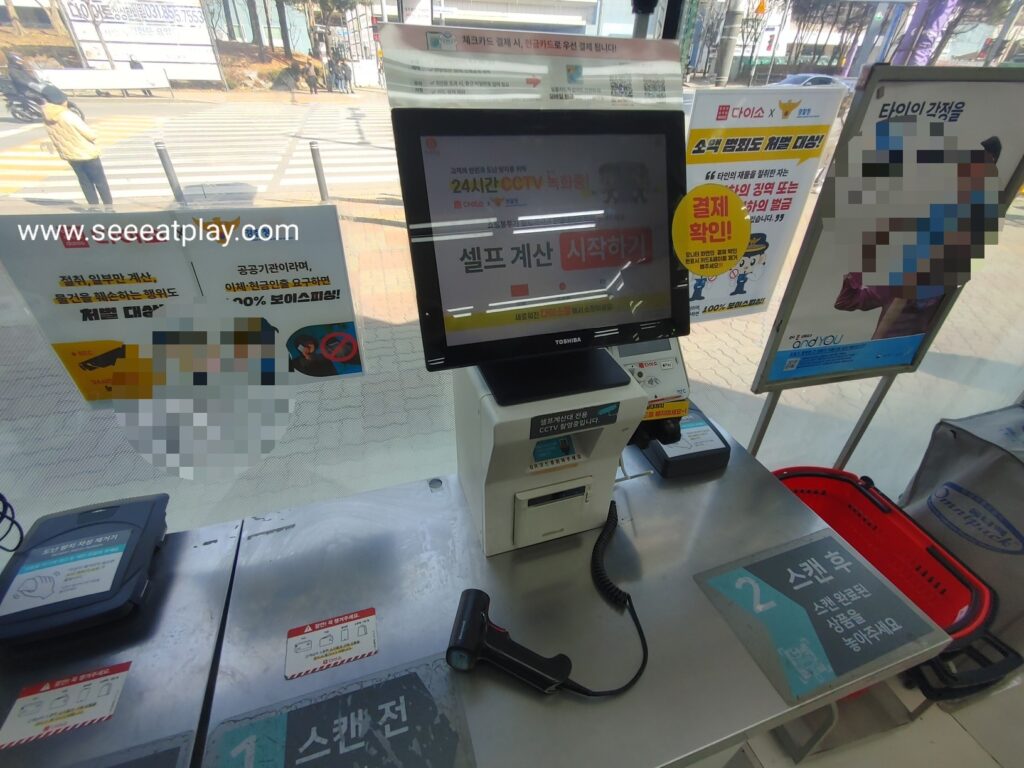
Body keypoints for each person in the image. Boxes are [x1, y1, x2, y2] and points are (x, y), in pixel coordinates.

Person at [41, 85, 113, 207]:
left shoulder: (47, 116)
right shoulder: (68, 115)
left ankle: (94, 207)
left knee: (85, 182)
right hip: (86, 153)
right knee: (100, 181)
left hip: (70, 154)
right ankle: (108, 207)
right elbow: (91, 135)